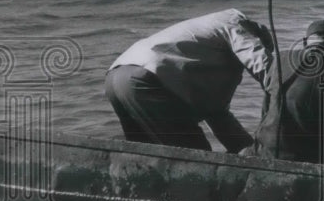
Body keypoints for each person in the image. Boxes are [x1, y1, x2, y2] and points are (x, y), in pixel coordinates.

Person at [104, 9, 275, 153]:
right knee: (197, 159)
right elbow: (266, 70)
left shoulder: (207, 52)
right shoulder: (237, 23)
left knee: (145, 157)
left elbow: (218, 117)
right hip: (146, 78)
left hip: (115, 77)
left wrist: (247, 151)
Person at [254, 19, 324, 165]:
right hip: (305, 158)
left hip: (264, 148)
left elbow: (266, 107)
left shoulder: (281, 59)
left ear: (305, 42)